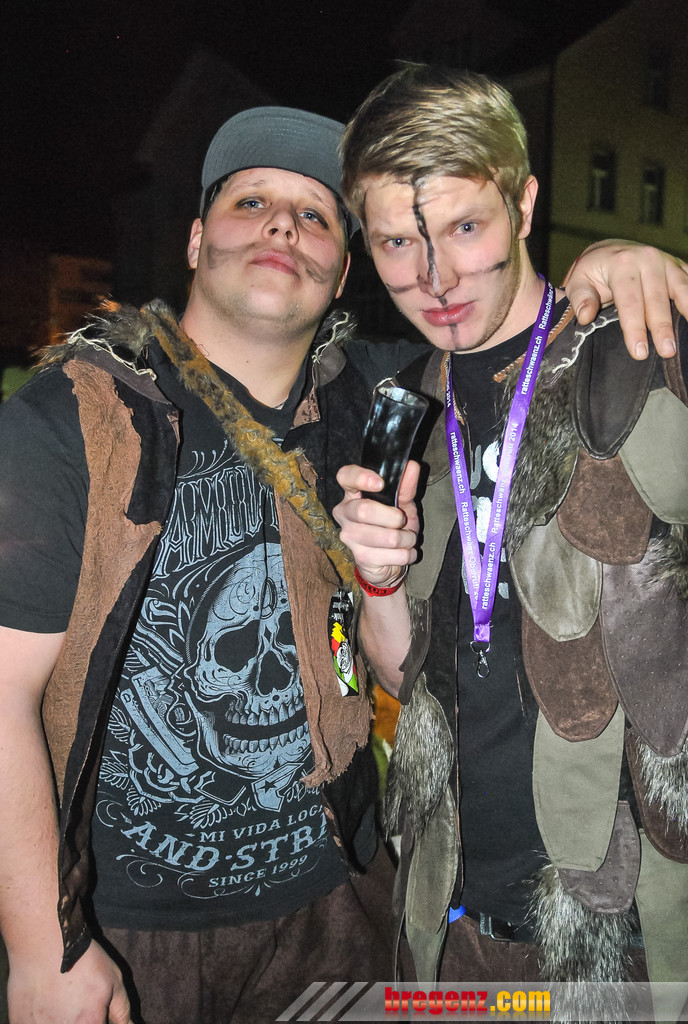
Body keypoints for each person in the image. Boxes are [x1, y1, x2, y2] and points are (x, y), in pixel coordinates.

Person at [0, 99, 683, 1024]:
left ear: (344, 272)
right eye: (251, 202)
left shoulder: (383, 397)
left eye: (315, 214)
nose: (283, 225)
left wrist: (618, 259)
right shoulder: (79, 416)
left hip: (346, 905)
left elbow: (514, 332)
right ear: (196, 239)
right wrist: (43, 950)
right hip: (132, 932)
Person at [334, 64, 688, 1001]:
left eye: (464, 227)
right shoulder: (407, 411)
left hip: (635, 943)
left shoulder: (642, 351)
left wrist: (644, 257)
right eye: (398, 242)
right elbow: (402, 676)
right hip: (453, 932)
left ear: (524, 205)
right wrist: (377, 579)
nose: (435, 278)